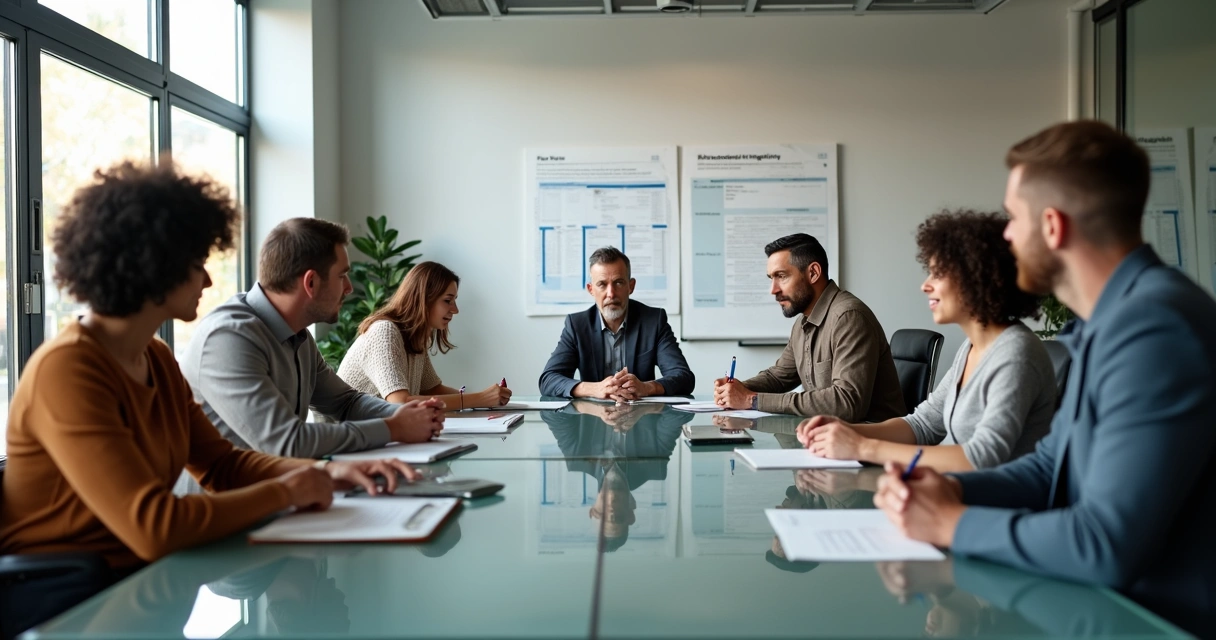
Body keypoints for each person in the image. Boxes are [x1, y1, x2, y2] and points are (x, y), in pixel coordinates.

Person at [0, 162, 417, 633]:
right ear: (155, 266)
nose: (208, 280)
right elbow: (154, 527)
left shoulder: (156, 357)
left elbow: (221, 464)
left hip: (143, 589)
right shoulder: (68, 369)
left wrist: (327, 472)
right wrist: (289, 488)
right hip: (72, 605)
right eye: (198, 263)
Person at [873, 121, 1216, 636]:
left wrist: (949, 522)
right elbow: (1049, 468)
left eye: (1014, 218)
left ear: (1053, 226)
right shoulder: (1108, 322)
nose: (1007, 236)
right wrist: (948, 488)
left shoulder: (1154, 328)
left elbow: (1105, 543)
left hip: (1157, 623)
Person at [796, 211, 1056, 472]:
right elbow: (923, 425)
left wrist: (863, 447)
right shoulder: (970, 348)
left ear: (978, 277)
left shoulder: (1016, 352)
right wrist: (846, 429)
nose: (925, 285)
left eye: (938, 274)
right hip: (948, 487)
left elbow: (982, 458)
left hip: (984, 495)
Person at [181, 218, 445, 459]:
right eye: (342, 276)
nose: (349, 288)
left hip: (283, 485)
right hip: (228, 496)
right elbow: (288, 442)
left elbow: (345, 402)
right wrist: (393, 428)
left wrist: (407, 415)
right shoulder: (229, 338)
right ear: (311, 283)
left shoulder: (299, 336)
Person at [714, 233, 905, 420]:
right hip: (829, 433)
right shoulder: (803, 322)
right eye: (771, 278)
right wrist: (735, 389)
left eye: (781, 276)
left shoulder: (849, 317)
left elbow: (847, 403)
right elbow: (778, 378)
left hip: (871, 435)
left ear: (813, 273)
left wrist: (752, 400)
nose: (773, 290)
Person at [337, 261, 512, 410]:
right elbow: (400, 403)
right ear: (423, 299)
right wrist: (480, 399)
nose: (455, 309)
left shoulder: (415, 337)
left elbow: (432, 389)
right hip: (345, 436)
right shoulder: (384, 332)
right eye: (447, 300)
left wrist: (483, 399)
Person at [539, 247, 694, 401]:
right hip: (592, 414)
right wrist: (595, 389)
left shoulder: (653, 321)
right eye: (602, 284)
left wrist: (646, 388)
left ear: (631, 286)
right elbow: (548, 379)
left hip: (641, 414)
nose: (611, 294)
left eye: (618, 283)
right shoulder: (577, 325)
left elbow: (684, 377)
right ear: (591, 289)